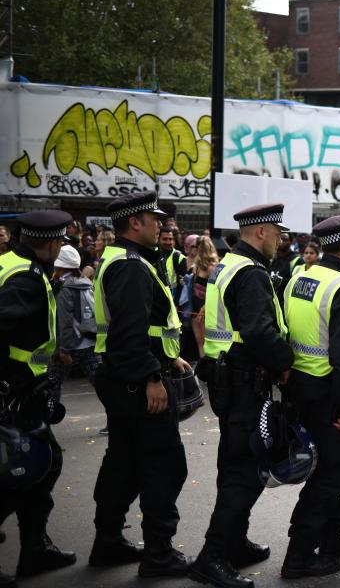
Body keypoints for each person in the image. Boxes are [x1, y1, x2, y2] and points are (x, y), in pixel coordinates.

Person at [189, 205, 296, 588]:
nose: (281, 241)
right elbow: (259, 331)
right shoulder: (250, 273)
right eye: (278, 234)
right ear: (262, 232)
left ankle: (233, 543)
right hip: (244, 382)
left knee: (233, 466)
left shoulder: (228, 265)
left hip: (227, 381)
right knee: (244, 474)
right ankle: (212, 556)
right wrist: (285, 365)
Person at [90, 192, 193, 578]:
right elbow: (129, 334)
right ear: (135, 223)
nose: (161, 227)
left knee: (124, 463)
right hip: (136, 381)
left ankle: (108, 542)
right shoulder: (132, 266)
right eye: (154, 220)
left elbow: (143, 326)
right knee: (164, 466)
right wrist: (152, 376)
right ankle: (159, 555)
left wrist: (169, 358)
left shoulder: (123, 260)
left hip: (121, 378)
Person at [279, 214, 340, 579]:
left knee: (326, 471)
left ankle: (332, 536)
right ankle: (299, 555)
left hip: (300, 389)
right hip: (329, 396)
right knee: (331, 475)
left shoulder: (301, 276)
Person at [0, 210, 77, 584]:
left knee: (40, 464)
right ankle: (33, 549)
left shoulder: (10, 263)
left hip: (20, 390)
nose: (61, 247)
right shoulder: (26, 279)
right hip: (15, 391)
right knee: (19, 470)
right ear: (48, 243)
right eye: (60, 241)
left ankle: (35, 548)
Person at [48, 245, 100, 403]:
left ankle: (47, 421)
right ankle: (117, 421)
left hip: (70, 346)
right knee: (102, 384)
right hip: (89, 341)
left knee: (52, 386)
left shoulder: (64, 288)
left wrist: (64, 350)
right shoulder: (84, 282)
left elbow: (65, 321)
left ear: (60, 266)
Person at [178, 236, 219, 363]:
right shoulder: (197, 266)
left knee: (208, 340)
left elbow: (215, 292)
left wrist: (204, 308)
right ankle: (203, 365)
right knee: (199, 340)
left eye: (195, 246)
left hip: (206, 308)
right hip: (195, 307)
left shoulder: (213, 267)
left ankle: (210, 365)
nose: (193, 249)